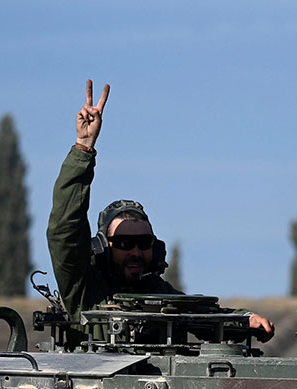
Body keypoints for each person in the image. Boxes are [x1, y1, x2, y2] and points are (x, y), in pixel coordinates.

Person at [46, 80, 274, 341]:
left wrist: (245, 319)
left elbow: (204, 315)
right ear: (103, 248)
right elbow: (64, 228)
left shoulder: (158, 293)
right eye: (124, 243)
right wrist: (83, 148)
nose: (135, 252)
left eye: (144, 243)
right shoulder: (84, 289)